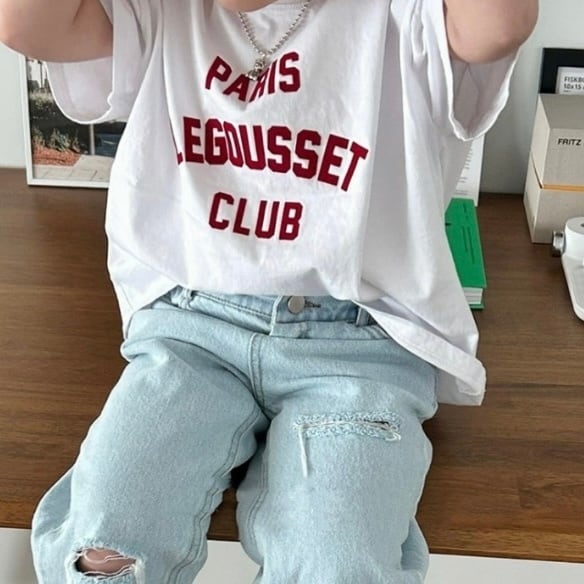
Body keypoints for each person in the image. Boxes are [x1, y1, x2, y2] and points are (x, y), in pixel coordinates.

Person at [0, 1, 538, 582]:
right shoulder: (163, 11)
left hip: (359, 346)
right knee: (104, 548)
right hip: (190, 327)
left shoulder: (405, 14)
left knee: (337, 563)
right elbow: (25, 23)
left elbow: (497, 26)